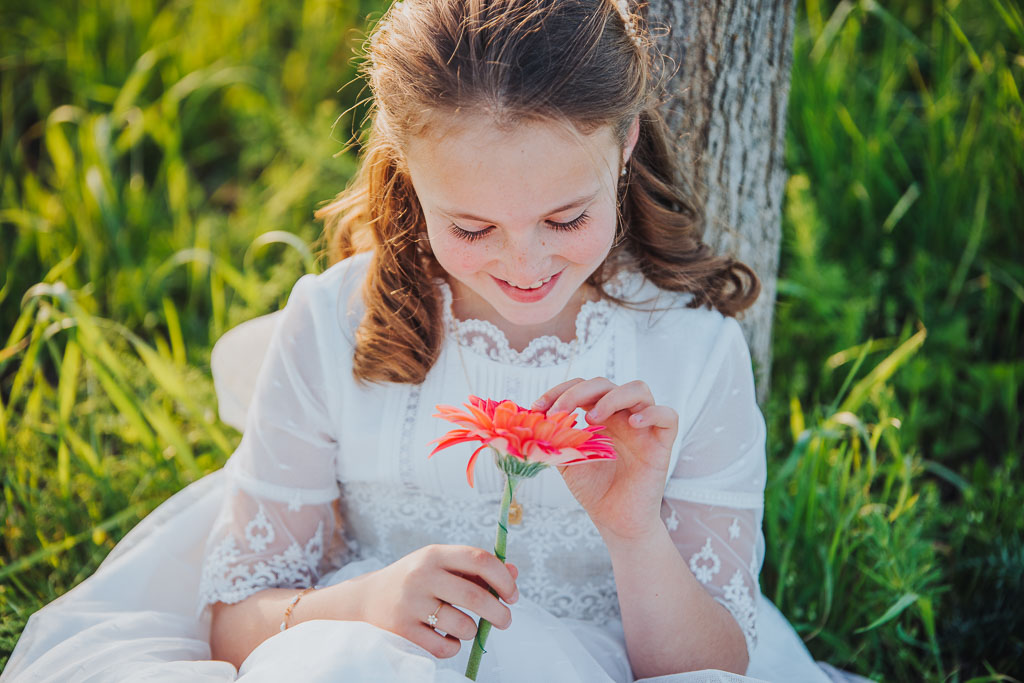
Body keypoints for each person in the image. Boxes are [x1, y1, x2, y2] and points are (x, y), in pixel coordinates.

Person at [2, 1, 864, 681]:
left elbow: (711, 669)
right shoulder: (335, 321)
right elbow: (234, 622)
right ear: (410, 174)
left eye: (565, 216)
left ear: (627, 140)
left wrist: (634, 530)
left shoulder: (689, 353)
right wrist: (367, 603)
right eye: (473, 226)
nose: (524, 264)